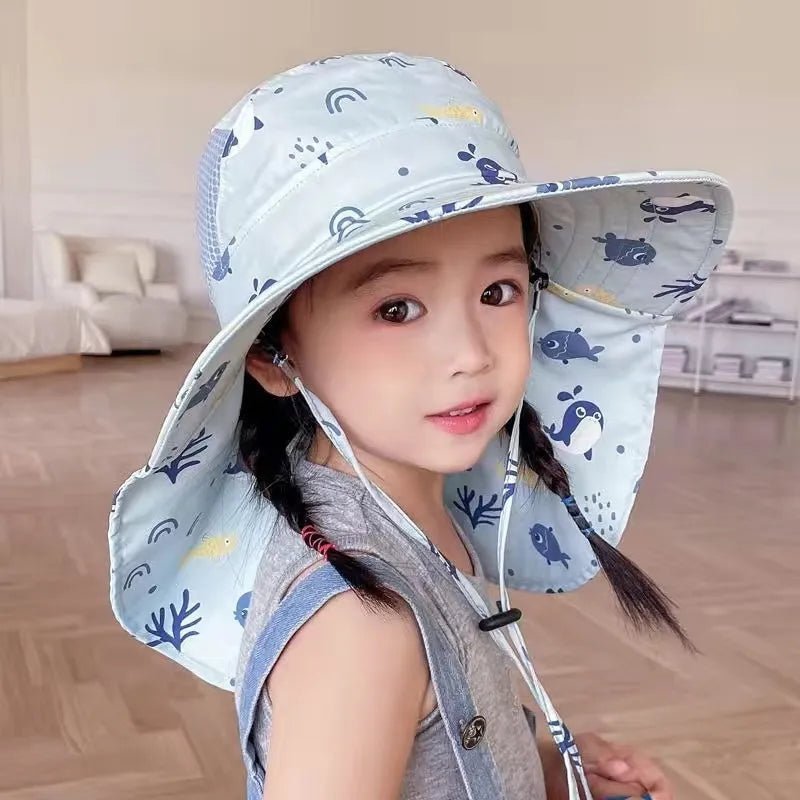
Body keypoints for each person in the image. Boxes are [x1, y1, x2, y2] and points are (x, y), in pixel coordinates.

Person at [107, 52, 733, 800]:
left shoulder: (413, 515)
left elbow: (450, 732)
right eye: (396, 308)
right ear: (274, 358)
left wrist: (551, 776)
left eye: (497, 290)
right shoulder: (358, 626)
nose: (471, 353)